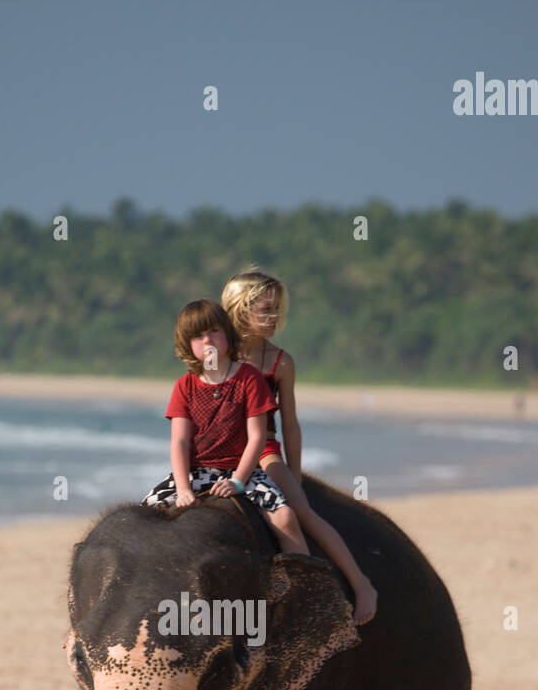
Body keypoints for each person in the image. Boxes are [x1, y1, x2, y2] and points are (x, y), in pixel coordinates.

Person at [221, 268, 377, 625]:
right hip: (221, 449)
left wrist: (294, 473)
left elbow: (289, 423)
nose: (274, 317)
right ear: (240, 309)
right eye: (265, 310)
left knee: (302, 511)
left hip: (264, 449)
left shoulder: (280, 362)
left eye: (277, 309)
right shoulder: (219, 357)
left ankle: (360, 583)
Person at [142, 299, 309, 557]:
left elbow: (256, 438)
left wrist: (238, 482)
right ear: (187, 344)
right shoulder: (184, 386)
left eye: (214, 331)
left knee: (286, 517)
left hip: (243, 472)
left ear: (228, 335)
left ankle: (303, 583)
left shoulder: (250, 379)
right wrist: (184, 488)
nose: (208, 340)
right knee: (143, 515)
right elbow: (179, 442)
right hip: (195, 472)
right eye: (198, 336)